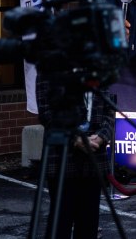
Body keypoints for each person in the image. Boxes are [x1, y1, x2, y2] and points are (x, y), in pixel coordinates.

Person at [36, 79, 114, 239]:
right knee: (60, 225)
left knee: (88, 226)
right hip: (62, 160)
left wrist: (101, 137)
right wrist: (75, 138)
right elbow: (46, 113)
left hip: (94, 159)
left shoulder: (98, 69)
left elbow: (109, 111)